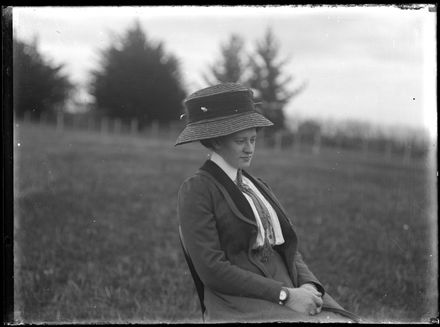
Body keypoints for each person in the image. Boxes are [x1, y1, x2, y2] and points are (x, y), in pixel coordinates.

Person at [175, 83, 361, 323]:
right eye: (241, 141)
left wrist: (309, 286)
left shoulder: (257, 186)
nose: (250, 148)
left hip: (290, 287)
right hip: (241, 302)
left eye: (253, 139)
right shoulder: (198, 189)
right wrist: (285, 295)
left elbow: (286, 249)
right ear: (216, 141)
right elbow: (212, 270)